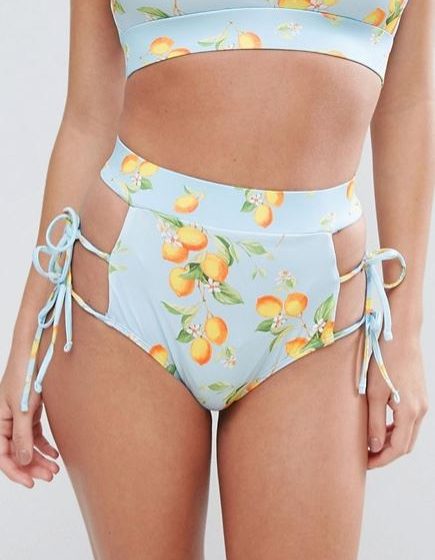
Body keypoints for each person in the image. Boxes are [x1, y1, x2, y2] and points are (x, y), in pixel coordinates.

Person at [0, 1, 432, 558]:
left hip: (319, 313)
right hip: (128, 291)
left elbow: (409, 104)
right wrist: (28, 336)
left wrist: (405, 336)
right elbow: (88, 115)